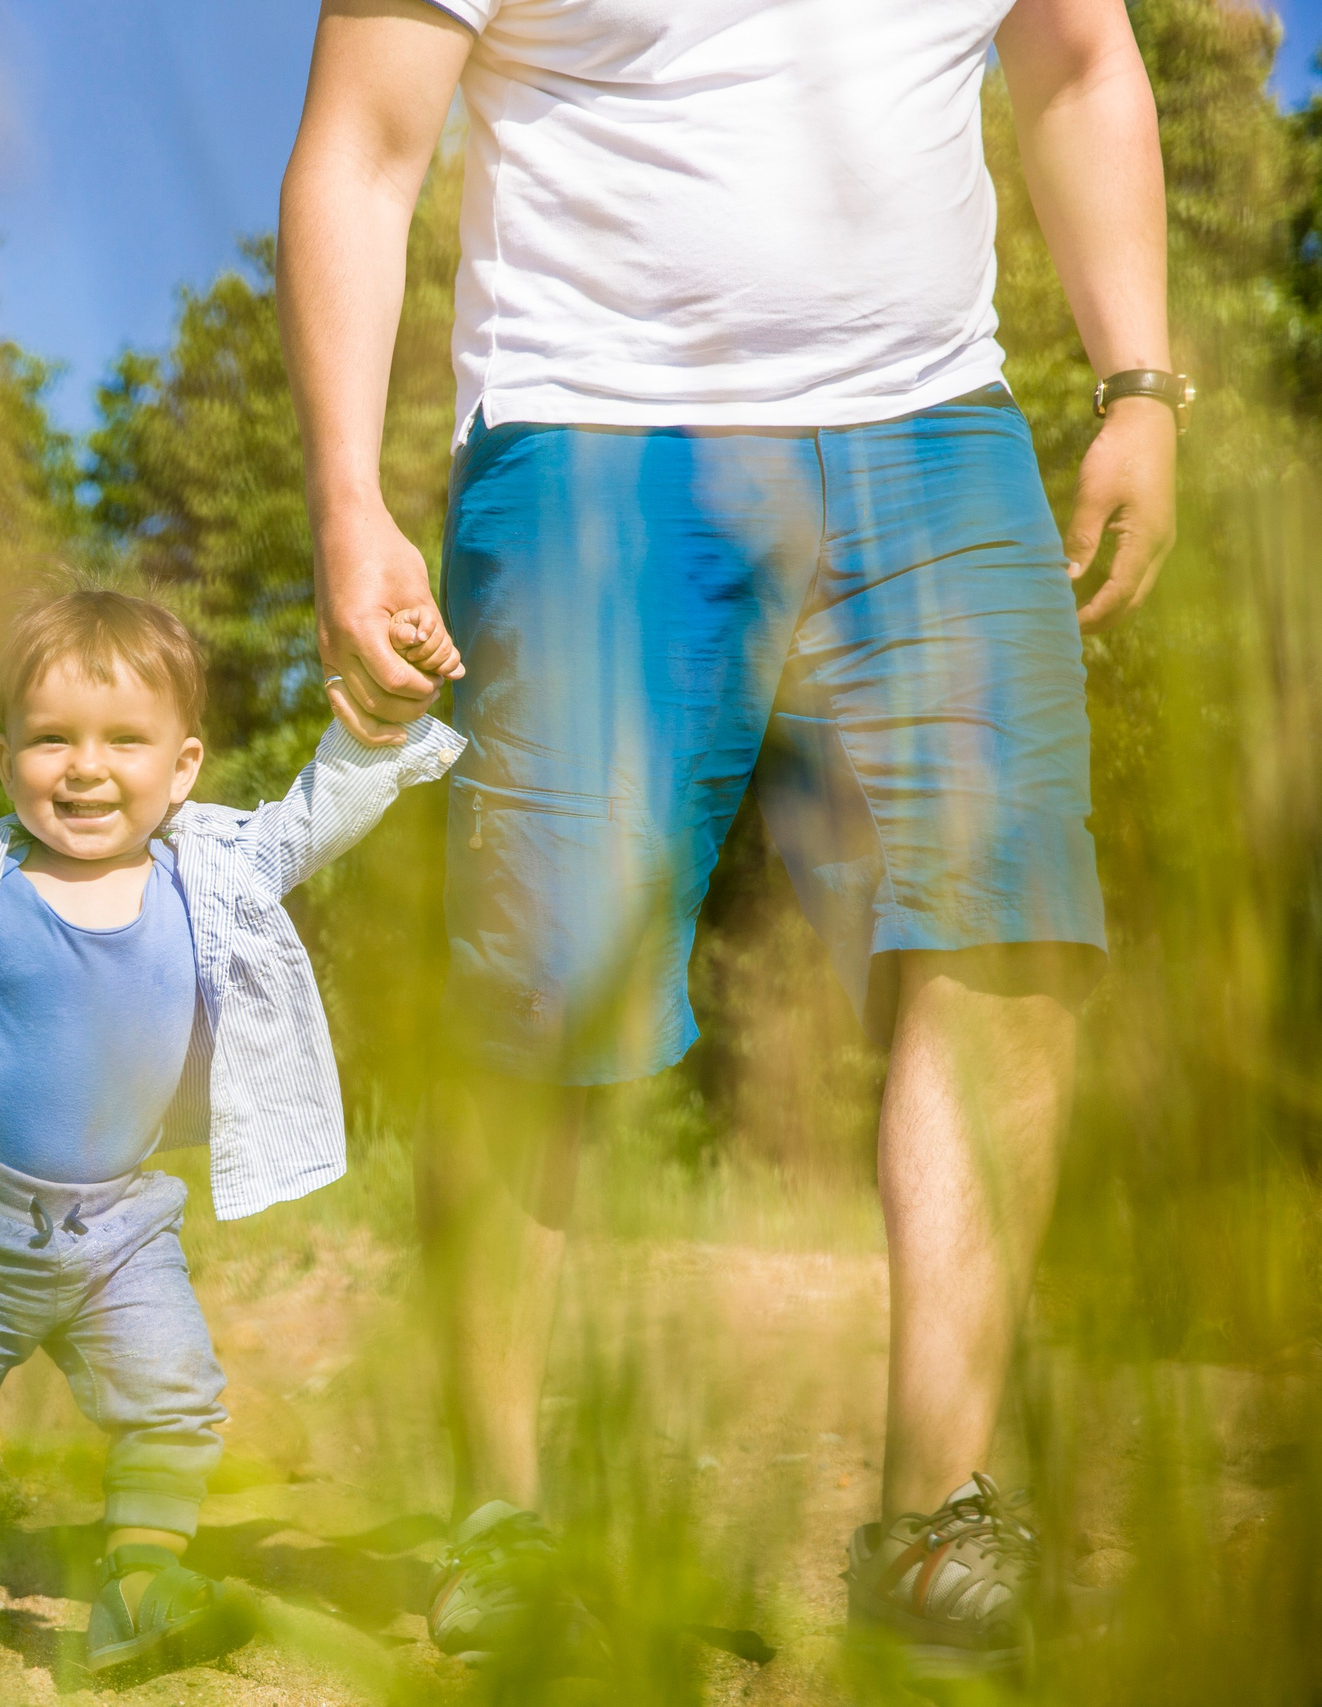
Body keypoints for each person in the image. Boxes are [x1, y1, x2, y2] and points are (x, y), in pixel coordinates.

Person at [277, 0, 1178, 1679]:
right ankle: (509, 1521)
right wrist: (346, 487)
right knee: (544, 988)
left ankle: (935, 1521)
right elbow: (364, 140)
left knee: (1002, 931)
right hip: (595, 443)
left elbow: (1076, 53)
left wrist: (1137, 377)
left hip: (937, 435)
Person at [0, 588, 464, 1683]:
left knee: (175, 1400)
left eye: (123, 742)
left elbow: (313, 814)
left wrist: (377, 720)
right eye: (52, 740)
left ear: (182, 767)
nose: (85, 768)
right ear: (7, 760)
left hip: (117, 1229)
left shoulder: (209, 875)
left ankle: (136, 1587)